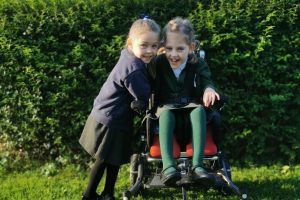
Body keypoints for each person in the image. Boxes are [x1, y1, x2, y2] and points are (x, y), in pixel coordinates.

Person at [79, 17, 160, 200]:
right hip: (110, 119)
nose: (150, 51)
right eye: (144, 45)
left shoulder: (129, 55)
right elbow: (144, 96)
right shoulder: (134, 68)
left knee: (113, 158)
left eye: (154, 46)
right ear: (131, 43)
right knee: (103, 159)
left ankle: (108, 193)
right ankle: (88, 195)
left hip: (114, 117)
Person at [153, 17, 219, 186]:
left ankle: (198, 166)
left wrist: (209, 89)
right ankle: (168, 167)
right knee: (166, 114)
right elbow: (146, 76)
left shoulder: (196, 62)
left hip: (190, 105)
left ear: (191, 48)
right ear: (163, 47)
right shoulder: (158, 63)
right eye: (169, 48)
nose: (173, 54)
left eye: (180, 49)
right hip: (167, 107)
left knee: (199, 110)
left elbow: (207, 80)